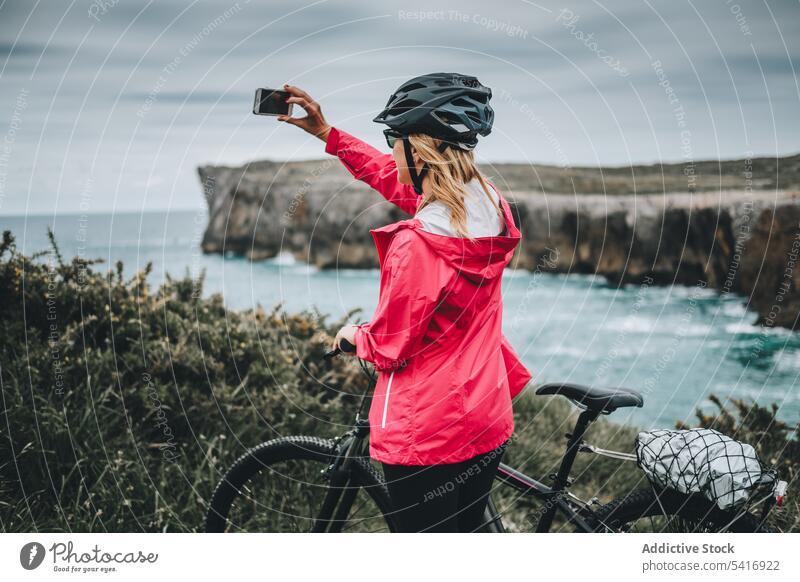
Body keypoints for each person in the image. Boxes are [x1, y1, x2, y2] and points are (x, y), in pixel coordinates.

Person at [278, 73, 532, 532]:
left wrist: (354, 335)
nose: (391, 150)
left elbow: (391, 344)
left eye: (394, 139)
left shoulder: (419, 245)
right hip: (484, 411)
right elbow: (400, 183)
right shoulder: (489, 206)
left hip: (429, 431)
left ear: (421, 149)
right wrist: (327, 135)